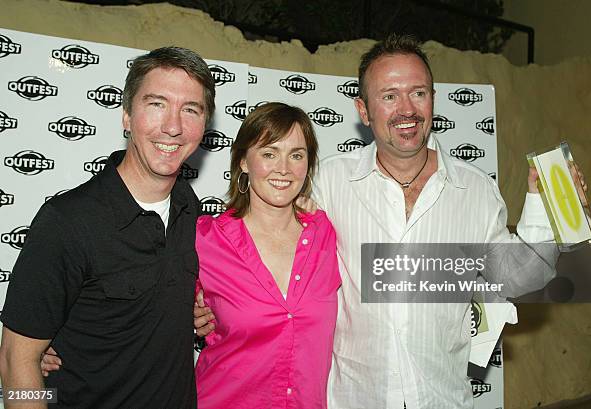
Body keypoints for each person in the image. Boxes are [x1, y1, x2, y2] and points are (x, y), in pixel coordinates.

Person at [312, 34, 558, 408]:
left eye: (418, 93)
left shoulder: (475, 190)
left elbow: (522, 279)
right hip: (355, 398)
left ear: (434, 100)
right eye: (389, 95)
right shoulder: (328, 181)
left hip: (441, 398)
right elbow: (278, 250)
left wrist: (542, 202)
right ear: (364, 110)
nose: (406, 109)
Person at [0, 46, 215, 409]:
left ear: (204, 126)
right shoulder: (67, 221)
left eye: (190, 109)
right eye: (156, 103)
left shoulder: (189, 208)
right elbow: (15, 360)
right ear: (126, 116)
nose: (173, 126)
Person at [194, 102, 340, 408]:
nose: (284, 168)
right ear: (244, 161)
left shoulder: (324, 234)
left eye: (296, 155)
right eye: (269, 153)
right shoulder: (206, 239)